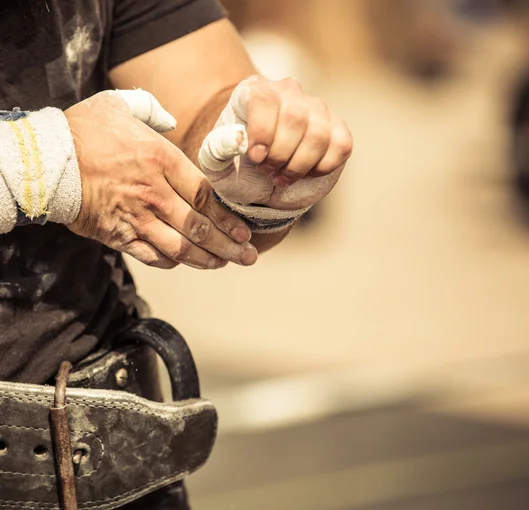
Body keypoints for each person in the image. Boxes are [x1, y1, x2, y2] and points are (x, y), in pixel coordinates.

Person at [0, 0, 352, 508]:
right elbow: (50, 161)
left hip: (105, 453)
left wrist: (254, 162)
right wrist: (37, 162)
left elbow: (204, 97)